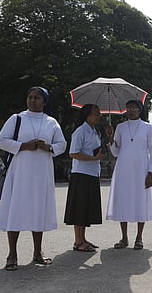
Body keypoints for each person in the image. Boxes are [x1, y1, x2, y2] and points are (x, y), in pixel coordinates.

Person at [0, 86, 67, 271]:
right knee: (16, 211)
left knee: (38, 210)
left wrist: (49, 148)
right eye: (30, 97)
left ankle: (37, 252)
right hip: (20, 173)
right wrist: (23, 146)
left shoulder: (51, 122)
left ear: (44, 101)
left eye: (37, 97)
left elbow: (62, 144)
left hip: (42, 174)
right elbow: (1, 141)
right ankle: (12, 254)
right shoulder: (17, 118)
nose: (32, 100)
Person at [106, 100, 152, 250]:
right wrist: (110, 138)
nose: (130, 110)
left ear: (140, 110)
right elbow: (116, 152)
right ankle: (124, 238)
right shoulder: (120, 127)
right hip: (123, 169)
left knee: (140, 200)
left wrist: (151, 172)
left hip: (141, 168)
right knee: (124, 200)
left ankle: (139, 238)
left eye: (134, 108)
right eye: (128, 108)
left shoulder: (147, 127)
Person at [64, 104, 105, 252]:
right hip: (81, 174)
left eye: (98, 114)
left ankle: (83, 238)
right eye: (95, 114)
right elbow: (73, 153)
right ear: (86, 115)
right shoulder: (80, 131)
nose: (98, 116)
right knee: (79, 207)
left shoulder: (95, 132)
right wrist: (93, 158)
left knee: (87, 207)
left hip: (93, 173)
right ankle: (78, 240)